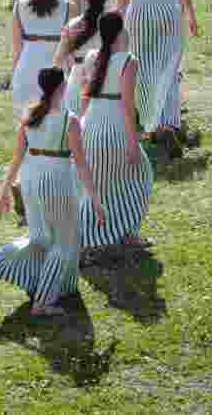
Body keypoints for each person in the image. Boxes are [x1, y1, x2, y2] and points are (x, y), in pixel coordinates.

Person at [0, 68, 103, 316]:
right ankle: (43, 301)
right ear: (62, 87)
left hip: (30, 178)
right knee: (63, 241)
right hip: (56, 179)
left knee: (40, 237)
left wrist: (4, 190)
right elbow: (81, 164)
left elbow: (17, 158)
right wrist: (95, 199)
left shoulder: (30, 114)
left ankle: (45, 283)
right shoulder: (69, 120)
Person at [117, 0, 199, 151]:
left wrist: (117, 22)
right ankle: (170, 124)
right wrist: (191, 15)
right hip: (168, 11)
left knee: (143, 69)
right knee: (169, 68)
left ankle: (152, 126)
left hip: (140, 13)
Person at [75, 13, 155, 248]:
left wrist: (78, 128)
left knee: (96, 184)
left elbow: (85, 98)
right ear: (121, 32)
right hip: (114, 128)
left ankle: (92, 233)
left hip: (90, 126)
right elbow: (128, 107)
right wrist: (133, 142)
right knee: (139, 177)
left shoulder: (90, 57)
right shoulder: (128, 61)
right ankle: (126, 231)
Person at [10, 0, 73, 225]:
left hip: (26, 69)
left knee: (27, 134)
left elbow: (16, 48)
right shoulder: (68, 6)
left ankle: (25, 186)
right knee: (55, 134)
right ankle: (51, 193)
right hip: (54, 69)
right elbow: (71, 49)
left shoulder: (20, 5)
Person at [54, 0, 110, 117]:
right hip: (105, 79)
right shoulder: (112, 23)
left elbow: (58, 60)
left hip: (76, 81)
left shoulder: (72, 24)